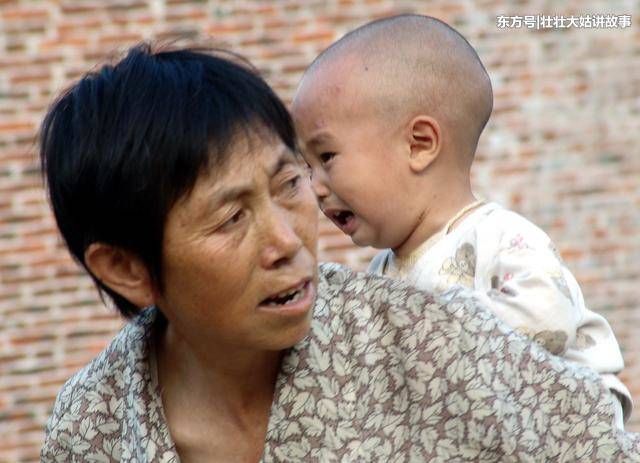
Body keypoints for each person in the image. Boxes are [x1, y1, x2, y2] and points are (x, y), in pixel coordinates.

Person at [40, 44, 640, 462]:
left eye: (289, 185)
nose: (287, 242)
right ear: (126, 269)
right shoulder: (93, 427)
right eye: (230, 218)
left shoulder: (427, 333)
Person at [292, 14, 632, 427]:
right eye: (306, 168)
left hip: (567, 424)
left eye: (326, 158)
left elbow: (548, 318)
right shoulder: (382, 272)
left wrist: (434, 343)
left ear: (419, 145)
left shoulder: (499, 236)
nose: (315, 187)